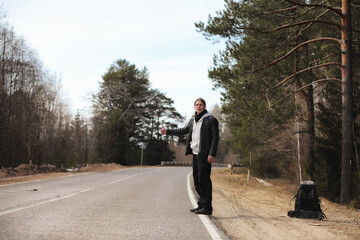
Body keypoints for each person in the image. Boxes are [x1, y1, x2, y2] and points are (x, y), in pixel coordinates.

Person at [160, 98, 219, 215]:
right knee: (197, 181)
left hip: (205, 155)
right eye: (196, 105)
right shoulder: (193, 120)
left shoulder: (211, 120)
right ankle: (201, 204)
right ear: (194, 107)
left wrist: (211, 154)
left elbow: (215, 138)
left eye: (200, 105)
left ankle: (207, 207)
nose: (198, 106)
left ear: (204, 106)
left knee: (204, 181)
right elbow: (183, 130)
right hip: (196, 154)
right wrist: (167, 131)